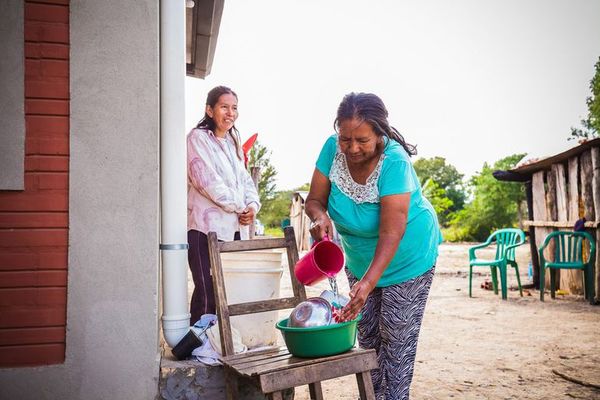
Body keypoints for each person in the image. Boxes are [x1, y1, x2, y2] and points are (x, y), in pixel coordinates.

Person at [305, 92, 442, 399]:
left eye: (362, 140)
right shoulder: (331, 149)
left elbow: (392, 233)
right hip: (360, 259)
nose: (352, 148)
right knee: (367, 338)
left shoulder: (394, 162)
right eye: (346, 139)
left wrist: (367, 285)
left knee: (396, 338)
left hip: (408, 256)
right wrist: (319, 216)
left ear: (380, 132)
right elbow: (314, 200)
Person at [187, 86, 261, 324]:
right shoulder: (197, 139)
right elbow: (206, 181)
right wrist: (240, 207)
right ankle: (199, 348)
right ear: (209, 110)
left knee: (228, 291)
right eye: (224, 107)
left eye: (234, 108)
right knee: (207, 291)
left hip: (233, 230)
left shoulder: (231, 143)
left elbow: (245, 180)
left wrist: (252, 206)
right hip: (204, 229)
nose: (230, 113)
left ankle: (221, 343)